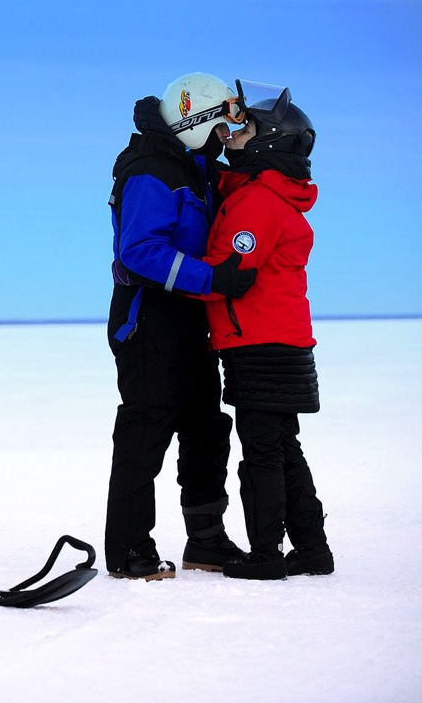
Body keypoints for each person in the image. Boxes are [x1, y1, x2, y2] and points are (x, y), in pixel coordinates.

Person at [105, 73, 257, 580]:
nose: (223, 139)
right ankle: (129, 550)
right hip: (149, 317)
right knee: (145, 432)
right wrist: (214, 276)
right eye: (219, 127)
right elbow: (140, 250)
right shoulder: (153, 169)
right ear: (196, 121)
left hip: (191, 316)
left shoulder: (196, 170)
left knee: (206, 429)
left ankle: (207, 542)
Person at [201, 82, 334, 580]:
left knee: (261, 453)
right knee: (282, 448)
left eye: (246, 129)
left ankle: (265, 555)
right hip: (282, 340)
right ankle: (312, 549)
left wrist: (176, 279)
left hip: (261, 343)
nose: (236, 134)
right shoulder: (268, 195)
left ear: (268, 144)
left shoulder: (258, 201)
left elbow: (229, 270)